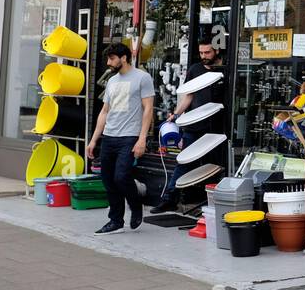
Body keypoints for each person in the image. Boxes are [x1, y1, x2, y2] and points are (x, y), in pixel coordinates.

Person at [86, 43, 155, 234]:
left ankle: (135, 204)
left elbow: (148, 109)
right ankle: (116, 221)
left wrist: (142, 139)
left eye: (112, 58)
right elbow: (104, 112)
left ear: (124, 58)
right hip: (109, 136)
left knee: (121, 176)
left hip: (130, 136)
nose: (109, 62)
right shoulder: (111, 81)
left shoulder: (142, 77)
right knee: (108, 180)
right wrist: (93, 140)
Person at [153, 39, 224, 212]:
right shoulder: (195, 69)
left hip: (216, 127)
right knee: (184, 162)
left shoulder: (225, 70)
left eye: (207, 52)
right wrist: (176, 114)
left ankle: (213, 203)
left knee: (215, 165)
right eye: (201, 53)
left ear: (216, 51)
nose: (204, 56)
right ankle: (170, 198)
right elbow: (189, 95)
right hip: (194, 125)